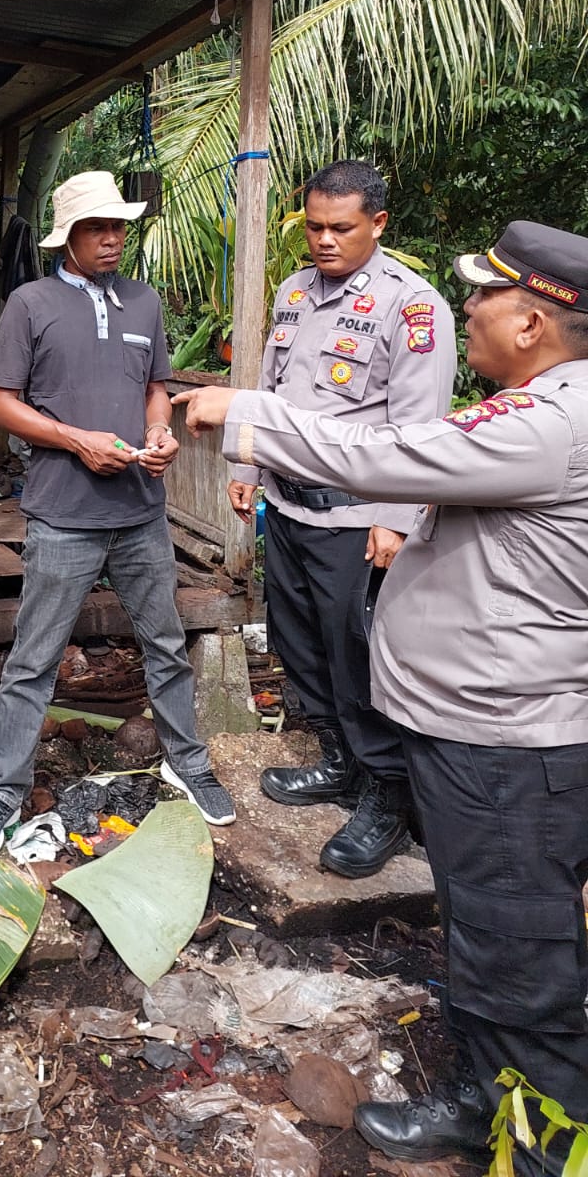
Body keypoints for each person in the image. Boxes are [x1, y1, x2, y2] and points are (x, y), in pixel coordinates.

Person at [174, 220, 588, 1167]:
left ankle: (536, 1143)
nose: (466, 311)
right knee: (497, 933)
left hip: (509, 746)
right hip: (490, 730)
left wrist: (243, 413)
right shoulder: (545, 406)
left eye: (483, 296)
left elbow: (382, 456)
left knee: (513, 956)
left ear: (533, 321)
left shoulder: (552, 423)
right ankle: (495, 1098)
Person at [0, 171, 235, 862]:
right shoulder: (30, 302)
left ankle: (188, 763)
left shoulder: (143, 302)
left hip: (141, 511)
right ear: (68, 237)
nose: (112, 239)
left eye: (118, 228)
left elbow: (154, 389)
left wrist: (160, 433)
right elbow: (0, 404)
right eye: (97, 229)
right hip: (61, 514)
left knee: (165, 645)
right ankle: (2, 792)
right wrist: (76, 439)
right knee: (33, 660)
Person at [229, 160, 456, 877]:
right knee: (301, 647)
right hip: (291, 510)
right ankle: (339, 764)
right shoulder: (297, 290)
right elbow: (268, 391)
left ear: (379, 224)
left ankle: (387, 798)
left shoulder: (411, 307)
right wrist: (246, 468)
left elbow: (419, 428)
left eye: (341, 228)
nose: (324, 241)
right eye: (316, 227)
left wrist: (394, 519)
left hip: (358, 521)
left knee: (359, 657)